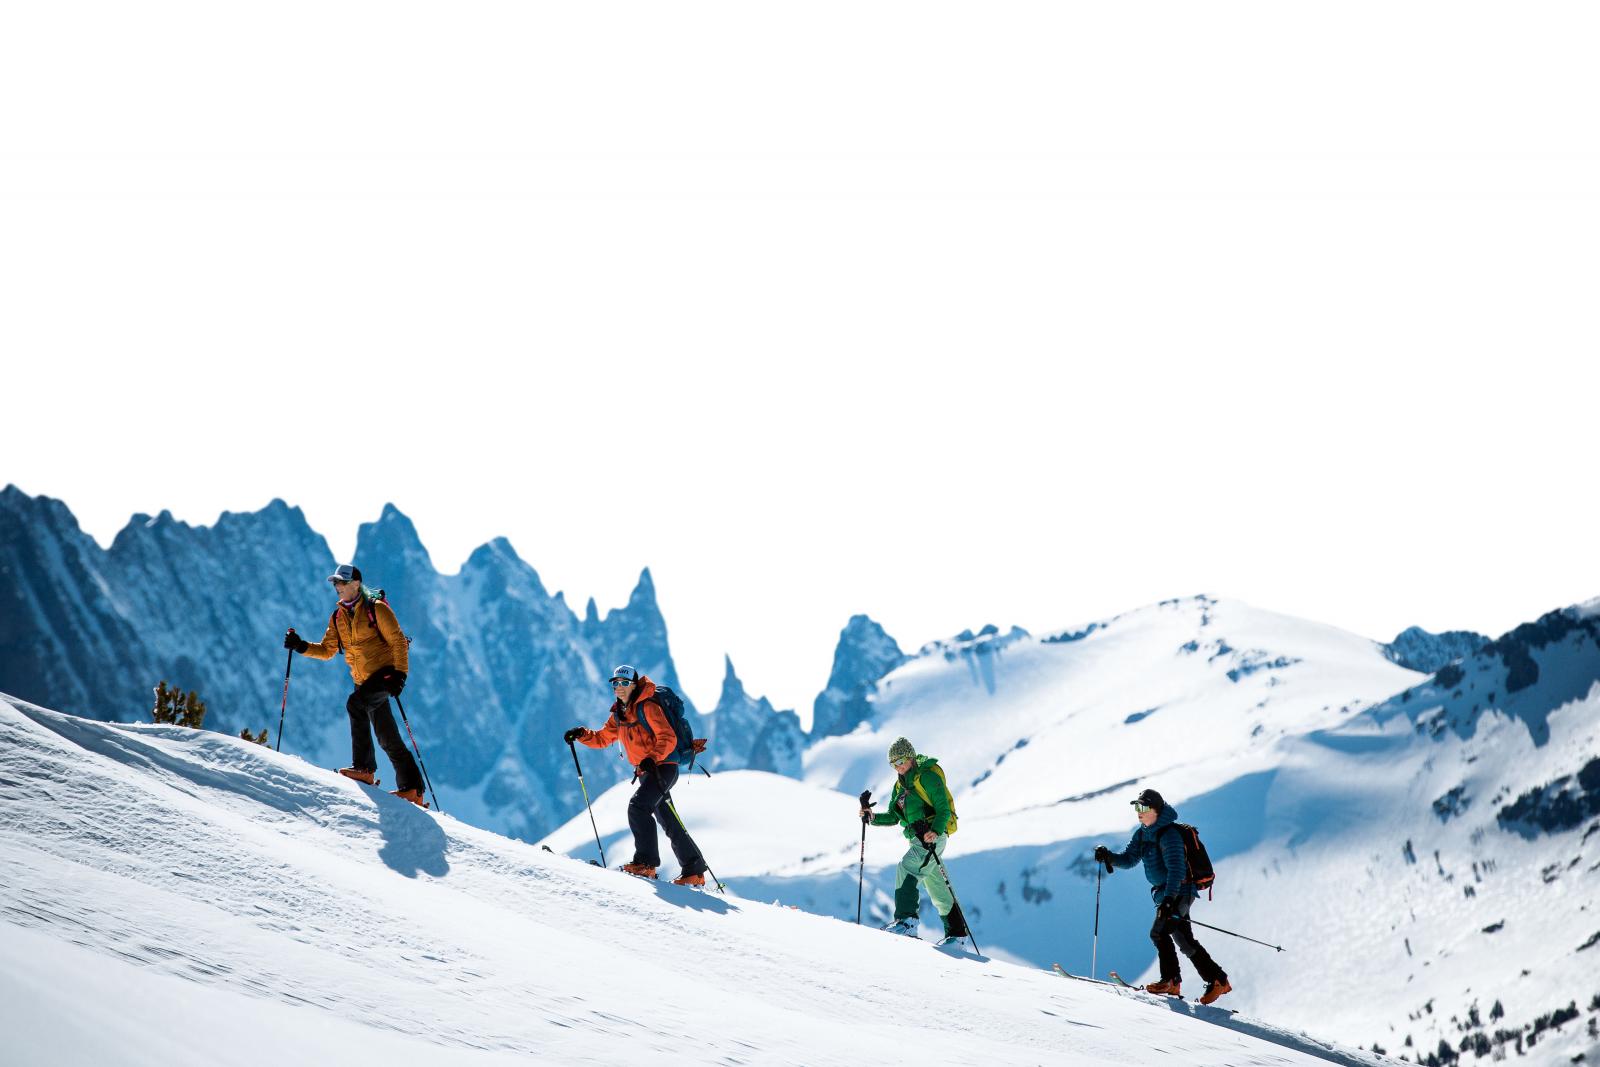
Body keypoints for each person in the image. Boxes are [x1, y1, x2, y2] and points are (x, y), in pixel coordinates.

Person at [283, 564, 427, 808]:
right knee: (386, 736)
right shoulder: (338, 617)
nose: (337, 586)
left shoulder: (376, 609)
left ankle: (364, 768)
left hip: (385, 675)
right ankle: (412, 789)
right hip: (363, 681)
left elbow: (398, 642)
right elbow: (327, 650)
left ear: (356, 584)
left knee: (355, 705)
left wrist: (400, 675)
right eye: (335, 582)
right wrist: (300, 646)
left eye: (341, 582)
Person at [564, 665, 708, 887]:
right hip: (647, 771)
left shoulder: (648, 706)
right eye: (615, 683)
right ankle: (694, 870)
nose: (619, 687)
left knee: (638, 807)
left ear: (634, 685)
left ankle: (645, 864)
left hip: (663, 767)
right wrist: (581, 734)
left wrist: (652, 757)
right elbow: (603, 738)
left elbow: (667, 737)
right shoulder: (619, 714)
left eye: (624, 683)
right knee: (667, 818)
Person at [1094, 788, 1231, 1004]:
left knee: (1158, 932)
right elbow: (1129, 859)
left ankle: (1170, 980)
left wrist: (1169, 900)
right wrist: (1108, 856)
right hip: (1167, 894)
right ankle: (1217, 980)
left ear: (1156, 810)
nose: (1139, 812)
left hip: (1179, 892)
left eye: (1143, 807)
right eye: (1136, 807)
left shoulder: (1169, 834)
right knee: (1184, 940)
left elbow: (1177, 870)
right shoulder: (1142, 833)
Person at [860, 736, 969, 946]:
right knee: (937, 886)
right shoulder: (899, 787)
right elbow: (893, 816)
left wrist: (935, 831)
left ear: (910, 757)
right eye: (893, 764)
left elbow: (943, 809)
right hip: (917, 839)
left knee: (907, 867)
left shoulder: (927, 777)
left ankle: (907, 922)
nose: (898, 767)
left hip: (932, 837)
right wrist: (871, 817)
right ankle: (958, 936)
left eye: (901, 761)